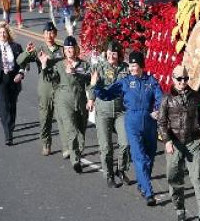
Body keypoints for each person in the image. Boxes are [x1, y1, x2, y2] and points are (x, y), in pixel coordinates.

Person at [93, 50, 164, 206]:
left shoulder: (151, 81)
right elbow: (106, 94)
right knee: (140, 157)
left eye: (135, 65)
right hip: (132, 122)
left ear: (141, 66)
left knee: (150, 157)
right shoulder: (124, 82)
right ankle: (149, 193)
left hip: (150, 123)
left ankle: (142, 183)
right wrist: (96, 85)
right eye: (130, 65)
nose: (132, 68)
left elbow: (160, 97)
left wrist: (157, 109)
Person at [157, 65, 200, 221]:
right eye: (179, 79)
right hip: (174, 143)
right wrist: (167, 140)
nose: (183, 82)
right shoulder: (166, 98)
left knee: (197, 177)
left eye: (185, 79)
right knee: (174, 176)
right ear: (173, 79)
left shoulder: (195, 97)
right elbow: (161, 122)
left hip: (193, 141)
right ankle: (179, 207)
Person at [39, 36, 90, 172]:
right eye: (66, 48)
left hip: (80, 100)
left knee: (81, 129)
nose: (69, 51)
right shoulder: (59, 65)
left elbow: (90, 82)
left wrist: (91, 99)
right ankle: (75, 160)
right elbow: (50, 78)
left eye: (71, 48)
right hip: (63, 100)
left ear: (76, 49)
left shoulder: (84, 65)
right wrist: (44, 65)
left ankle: (78, 151)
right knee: (71, 129)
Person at [88, 41, 130, 188]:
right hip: (103, 111)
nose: (112, 55)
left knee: (125, 143)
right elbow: (92, 84)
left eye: (115, 53)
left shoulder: (126, 69)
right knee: (106, 146)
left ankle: (121, 169)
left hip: (121, 111)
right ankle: (109, 174)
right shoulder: (99, 66)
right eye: (110, 52)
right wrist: (91, 99)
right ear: (106, 53)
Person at [16, 22, 62, 155]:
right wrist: (26, 52)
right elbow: (20, 61)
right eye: (47, 33)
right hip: (45, 87)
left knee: (63, 117)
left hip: (60, 87)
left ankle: (67, 146)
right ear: (43, 34)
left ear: (56, 34)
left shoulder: (63, 50)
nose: (49, 35)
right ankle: (46, 144)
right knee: (45, 117)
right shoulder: (38, 50)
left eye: (52, 33)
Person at [0, 22, 24, 146]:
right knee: (3, 106)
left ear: (8, 34)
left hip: (13, 78)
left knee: (12, 105)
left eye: (4, 32)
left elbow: (23, 63)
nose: (2, 34)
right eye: (0, 32)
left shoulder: (16, 47)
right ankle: (8, 134)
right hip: (0, 79)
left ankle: (11, 125)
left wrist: (21, 73)